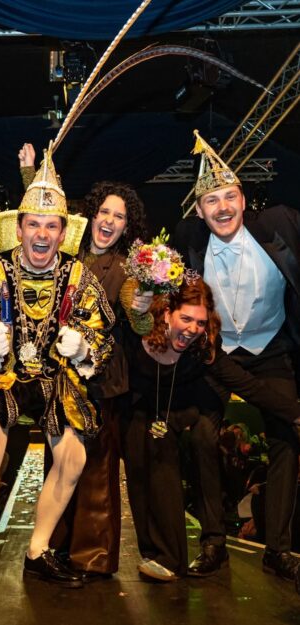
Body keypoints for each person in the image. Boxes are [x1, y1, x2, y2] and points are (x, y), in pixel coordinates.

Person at [0, 147, 115, 604]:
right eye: (34, 225)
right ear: (20, 228)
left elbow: (101, 338)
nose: (42, 234)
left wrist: (83, 348)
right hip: (3, 377)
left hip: (54, 380)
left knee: (73, 458)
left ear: (63, 233)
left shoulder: (79, 276)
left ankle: (38, 549)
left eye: (51, 226)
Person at [18, 142, 153, 578]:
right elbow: (40, 222)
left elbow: (140, 322)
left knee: (96, 470)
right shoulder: (68, 253)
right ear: (90, 215)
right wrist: (30, 175)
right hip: (58, 379)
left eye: (119, 216)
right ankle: (50, 549)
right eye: (104, 212)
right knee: (59, 467)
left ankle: (92, 557)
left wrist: (144, 308)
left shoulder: (127, 270)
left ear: (126, 226)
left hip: (102, 383)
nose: (109, 221)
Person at [174, 130, 300, 580]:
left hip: (271, 349)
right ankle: (213, 542)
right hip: (217, 352)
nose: (223, 207)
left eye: (230, 197)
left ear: (244, 200)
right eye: (212, 201)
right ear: (199, 210)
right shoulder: (188, 241)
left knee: (287, 437)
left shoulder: (281, 225)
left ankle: (278, 548)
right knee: (203, 436)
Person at [123, 276, 300, 581]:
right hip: (142, 406)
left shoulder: (202, 347)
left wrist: (296, 415)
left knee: (176, 448)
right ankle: (159, 553)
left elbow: (248, 385)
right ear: (167, 313)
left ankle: (170, 560)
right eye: (186, 319)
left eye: (201, 322)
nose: (193, 329)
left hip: (181, 408)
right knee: (142, 461)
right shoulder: (139, 334)